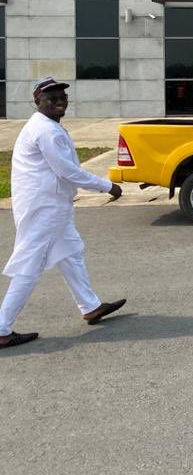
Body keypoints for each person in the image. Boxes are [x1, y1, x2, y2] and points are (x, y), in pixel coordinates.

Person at [0, 77, 126, 349]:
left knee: (70, 252)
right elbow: (67, 171)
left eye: (62, 97)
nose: (59, 101)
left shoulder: (45, 126)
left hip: (50, 204)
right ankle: (1, 328)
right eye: (52, 98)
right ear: (37, 101)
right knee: (30, 267)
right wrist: (108, 186)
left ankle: (90, 306)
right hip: (44, 208)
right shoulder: (46, 130)